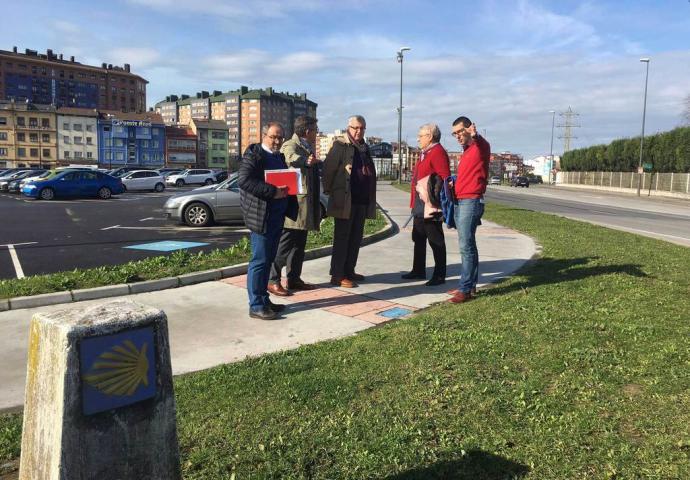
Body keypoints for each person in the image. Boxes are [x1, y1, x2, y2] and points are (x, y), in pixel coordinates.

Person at [238, 122, 298, 320]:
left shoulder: (279, 156)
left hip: (276, 218)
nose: (277, 141)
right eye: (273, 137)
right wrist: (273, 191)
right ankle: (255, 305)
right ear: (264, 136)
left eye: (280, 137)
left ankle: (264, 299)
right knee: (259, 261)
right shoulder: (255, 155)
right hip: (261, 218)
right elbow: (244, 181)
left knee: (268, 260)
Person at [267, 115, 321, 296]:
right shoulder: (291, 144)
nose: (316, 133)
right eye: (315, 129)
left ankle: (294, 279)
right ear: (307, 131)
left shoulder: (308, 146)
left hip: (306, 206)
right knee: (284, 245)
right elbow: (289, 157)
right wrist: (305, 161)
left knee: (299, 246)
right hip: (294, 207)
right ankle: (273, 280)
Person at [322, 115, 377, 288]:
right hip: (345, 200)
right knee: (342, 238)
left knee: (355, 238)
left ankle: (349, 270)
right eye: (356, 128)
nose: (359, 131)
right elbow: (328, 171)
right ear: (349, 128)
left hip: (361, 200)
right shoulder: (340, 146)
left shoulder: (364, 148)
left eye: (362, 128)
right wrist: (332, 193)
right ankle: (337, 275)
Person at [402, 123, 451, 286]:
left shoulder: (437, 152)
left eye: (421, 135)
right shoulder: (426, 152)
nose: (418, 138)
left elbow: (444, 178)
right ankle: (418, 270)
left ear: (430, 136)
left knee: (435, 238)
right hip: (419, 203)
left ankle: (439, 274)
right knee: (418, 236)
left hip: (430, 204)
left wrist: (434, 200)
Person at [448, 117, 490, 303]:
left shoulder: (480, 148)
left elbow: (482, 144)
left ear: (469, 129)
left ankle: (465, 289)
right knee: (467, 244)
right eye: (454, 133)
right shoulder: (466, 152)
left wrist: (476, 135)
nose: (457, 136)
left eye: (459, 132)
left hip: (471, 201)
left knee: (466, 246)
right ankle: (470, 285)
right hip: (460, 200)